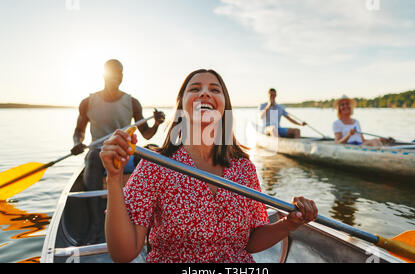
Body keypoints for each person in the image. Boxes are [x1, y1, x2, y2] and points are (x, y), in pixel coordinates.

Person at [100, 69, 318, 263]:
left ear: (225, 106)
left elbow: (250, 242)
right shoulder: (155, 165)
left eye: (214, 89)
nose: (205, 93)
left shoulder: (244, 168)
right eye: (195, 88)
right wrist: (114, 177)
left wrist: (289, 224)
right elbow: (123, 254)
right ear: (181, 106)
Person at [70, 59, 166, 244]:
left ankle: (145, 223)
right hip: (99, 153)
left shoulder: (132, 102)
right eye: (113, 73)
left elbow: (146, 134)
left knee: (149, 152)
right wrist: (77, 142)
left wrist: (156, 123)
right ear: (104, 75)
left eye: (120, 73)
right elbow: (79, 131)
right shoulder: (88, 102)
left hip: (124, 153)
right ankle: (96, 224)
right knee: (92, 158)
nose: (117, 77)